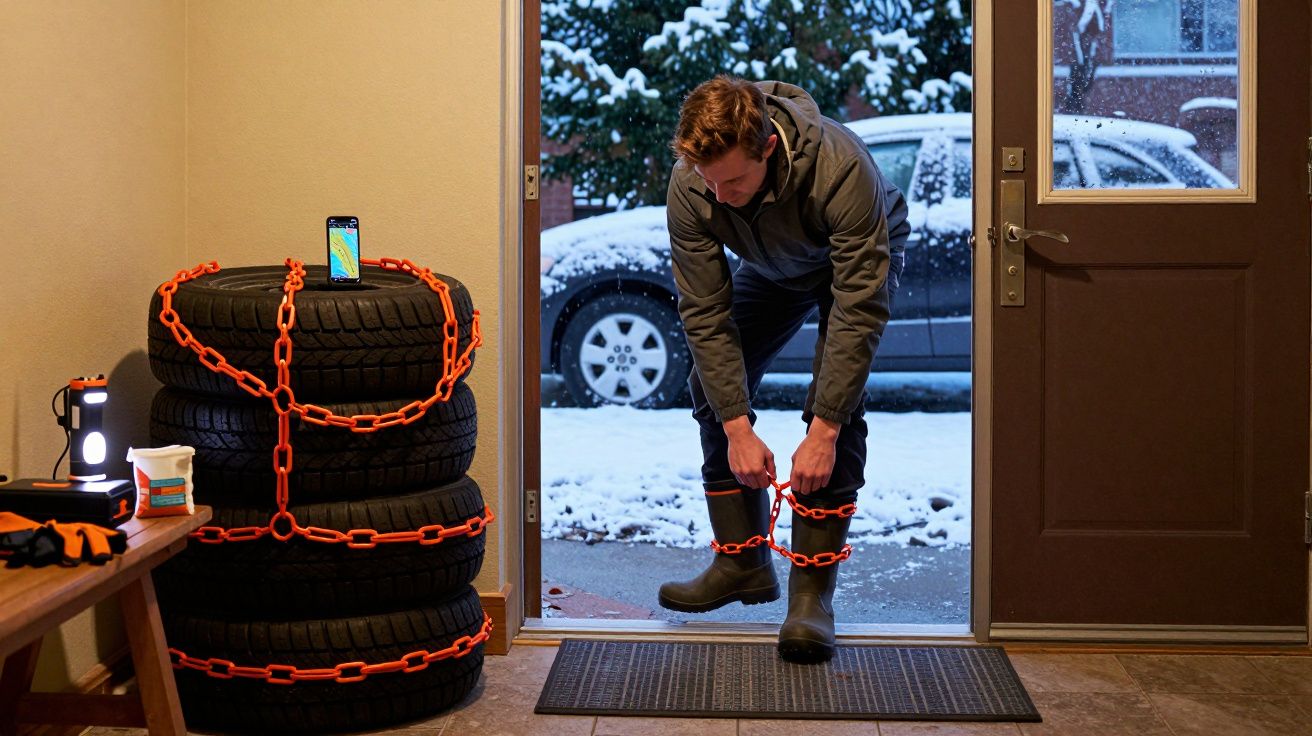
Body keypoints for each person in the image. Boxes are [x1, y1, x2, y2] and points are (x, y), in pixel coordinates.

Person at [657, 76, 910, 663]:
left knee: (837, 399)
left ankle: (811, 598)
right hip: (775, 262)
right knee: (711, 387)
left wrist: (822, 432)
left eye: (734, 181)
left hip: (855, 258)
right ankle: (742, 560)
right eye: (707, 180)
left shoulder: (840, 168)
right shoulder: (696, 183)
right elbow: (704, 311)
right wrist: (738, 428)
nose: (718, 196)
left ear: (768, 147)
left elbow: (857, 310)